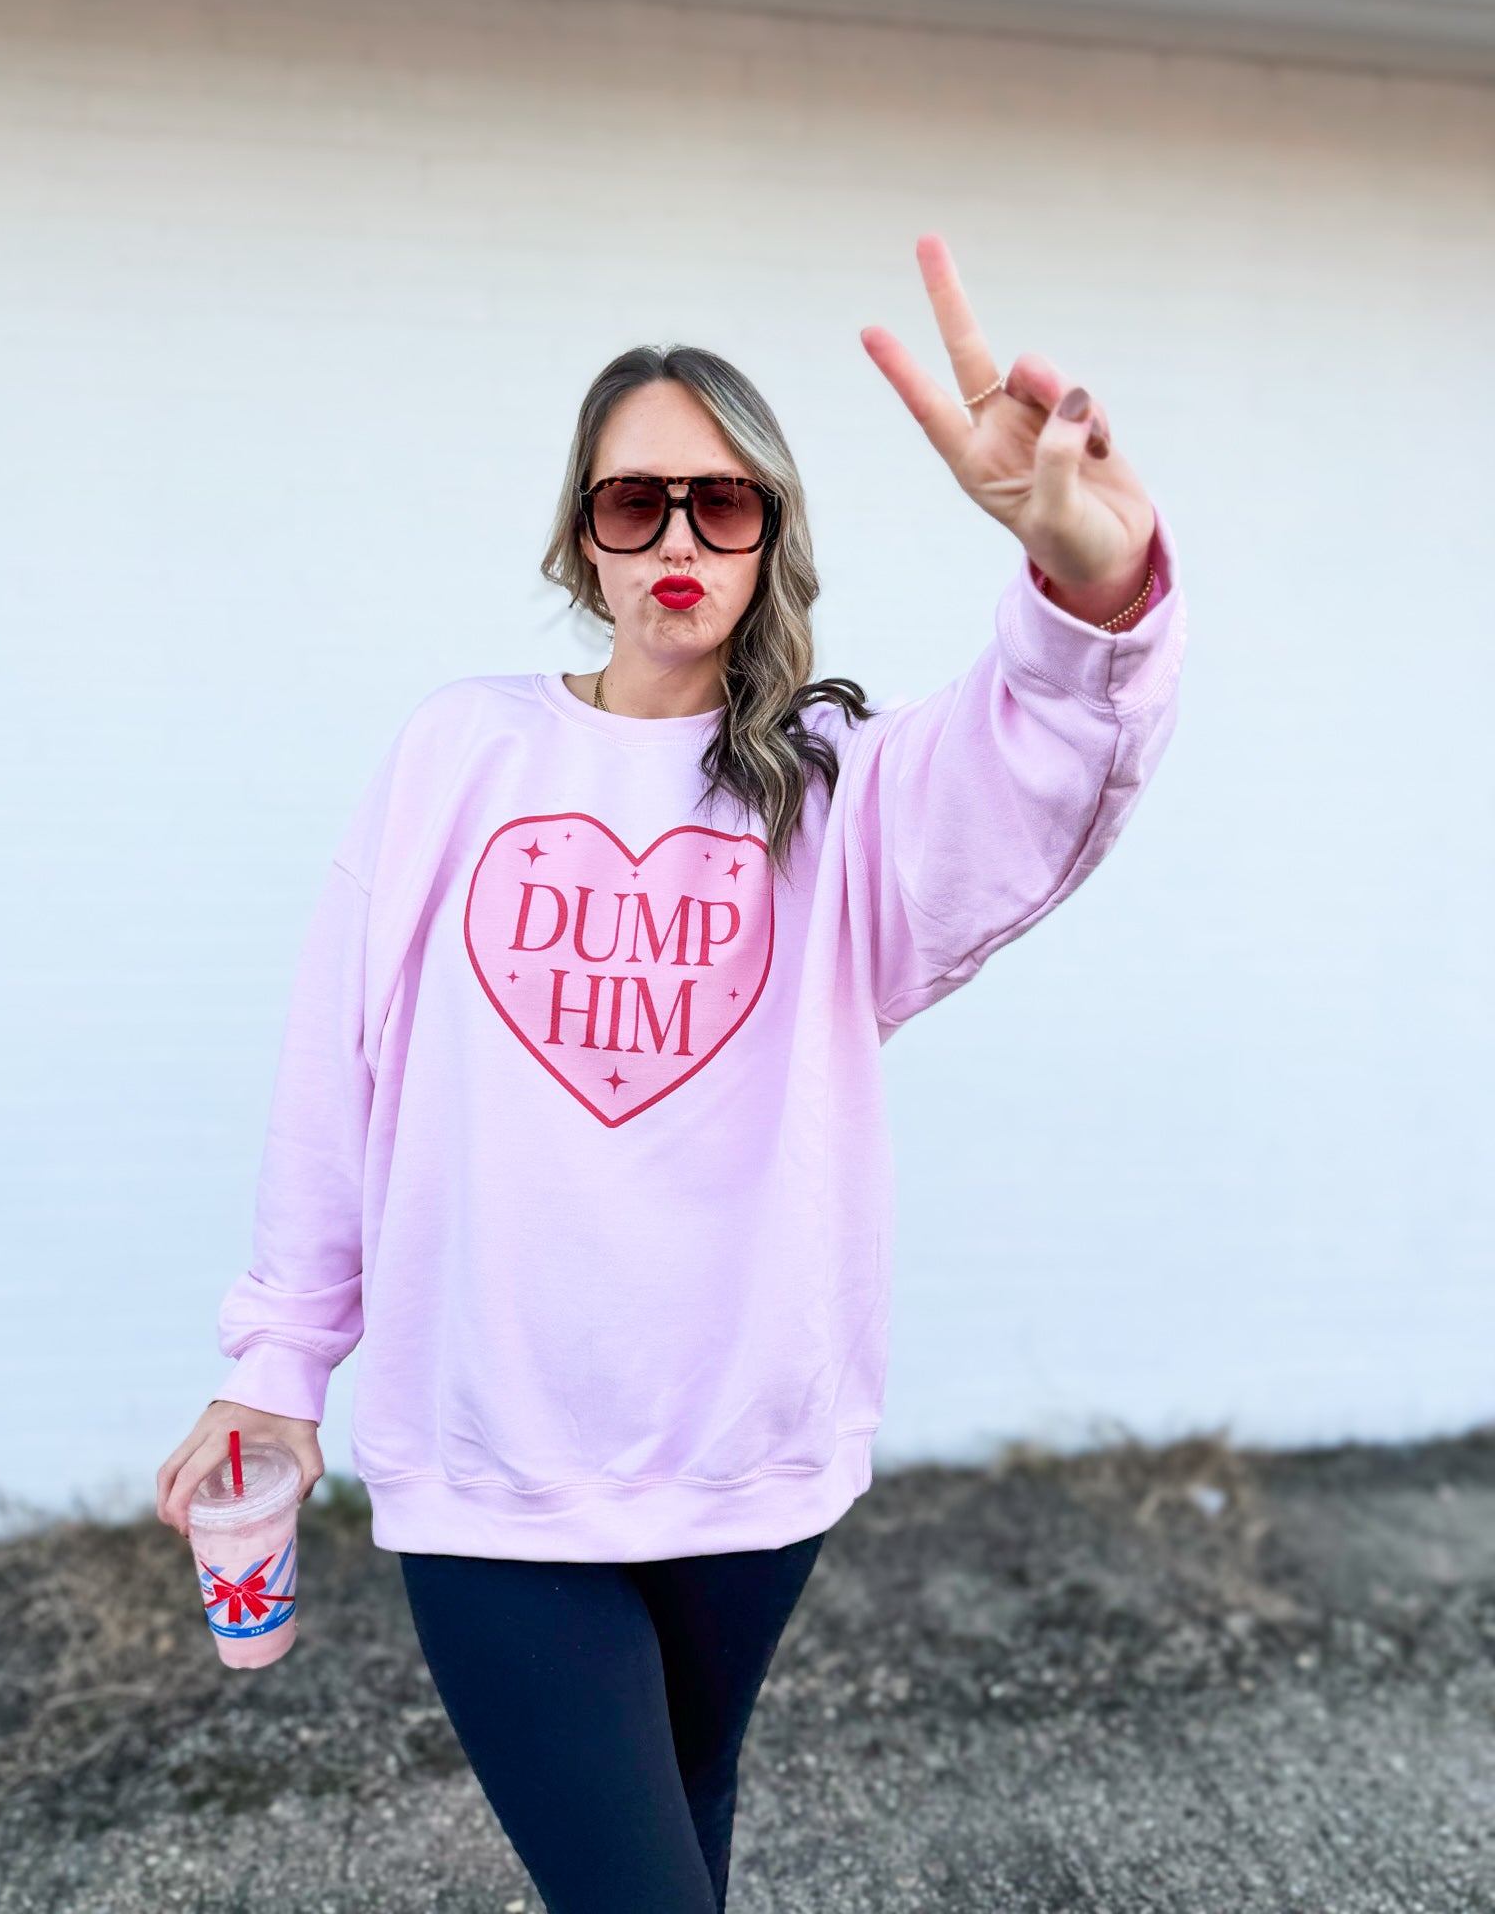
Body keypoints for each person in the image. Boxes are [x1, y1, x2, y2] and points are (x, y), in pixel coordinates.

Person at [156, 232, 1186, 1911]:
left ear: (771, 532)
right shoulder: (462, 749)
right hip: (491, 1461)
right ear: (585, 535)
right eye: (637, 504)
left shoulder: (835, 789)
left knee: (684, 1827)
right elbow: (335, 1063)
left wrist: (1090, 582)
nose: (680, 540)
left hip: (747, 1462)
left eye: (723, 503)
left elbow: (1042, 759)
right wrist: (279, 1360)